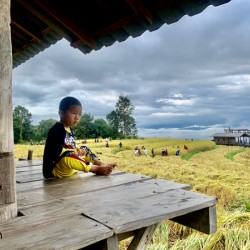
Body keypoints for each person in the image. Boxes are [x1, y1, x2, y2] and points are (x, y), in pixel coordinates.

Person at [43, 96, 116, 178]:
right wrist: (76, 151)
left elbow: (71, 145)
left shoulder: (70, 130)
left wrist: (79, 150)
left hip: (70, 167)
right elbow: (57, 151)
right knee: (69, 155)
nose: (77, 117)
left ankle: (100, 163)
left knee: (84, 148)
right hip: (55, 170)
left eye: (80, 114)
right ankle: (95, 169)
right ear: (61, 113)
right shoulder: (57, 129)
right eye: (74, 113)